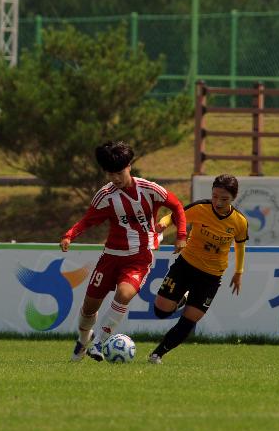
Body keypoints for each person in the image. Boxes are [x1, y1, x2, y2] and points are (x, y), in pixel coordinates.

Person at [60, 141, 187, 362]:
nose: (115, 178)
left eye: (119, 172)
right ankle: (83, 339)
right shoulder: (105, 195)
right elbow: (88, 220)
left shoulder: (150, 189)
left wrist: (182, 235)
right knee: (89, 307)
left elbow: (177, 206)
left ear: (129, 166)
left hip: (139, 256)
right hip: (111, 257)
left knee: (124, 294)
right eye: (110, 174)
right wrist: (69, 234)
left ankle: (98, 343)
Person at [148, 174, 249, 364]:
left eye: (224, 199)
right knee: (161, 311)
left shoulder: (239, 222)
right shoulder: (200, 208)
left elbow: (240, 246)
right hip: (185, 266)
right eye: (215, 196)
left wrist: (238, 272)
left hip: (211, 276)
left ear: (233, 198)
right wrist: (163, 224)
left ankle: (157, 354)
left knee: (190, 319)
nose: (218, 202)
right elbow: (173, 215)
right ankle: (183, 296)